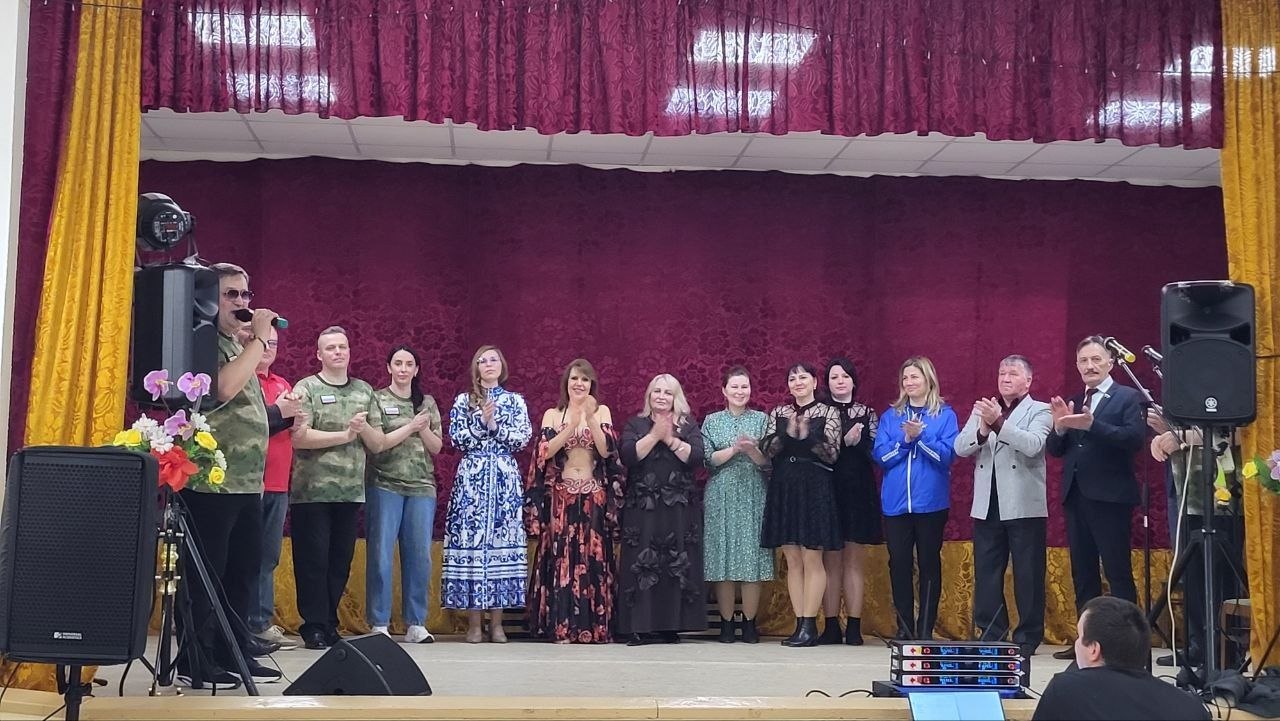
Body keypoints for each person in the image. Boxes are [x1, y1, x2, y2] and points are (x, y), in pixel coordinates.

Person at [176, 262, 283, 688]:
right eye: (231, 294)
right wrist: (258, 340)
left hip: (246, 483)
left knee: (243, 572)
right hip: (210, 483)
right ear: (208, 299)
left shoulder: (236, 345)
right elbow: (221, 389)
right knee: (207, 575)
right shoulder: (202, 342)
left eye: (245, 294)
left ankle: (233, 651)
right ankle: (196, 660)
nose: (242, 302)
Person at [1046, 336, 1145, 659]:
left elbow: (1133, 439)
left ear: (1110, 363)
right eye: (1083, 361)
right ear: (1077, 365)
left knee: (1117, 572)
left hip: (1111, 498)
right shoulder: (1075, 400)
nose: (1089, 366)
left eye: (1096, 360)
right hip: (1076, 496)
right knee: (1083, 573)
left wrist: (1093, 425)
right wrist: (1060, 427)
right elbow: (1056, 450)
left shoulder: (1128, 397)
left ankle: (1129, 649)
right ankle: (1086, 643)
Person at [289, 326, 384, 650]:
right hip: (311, 491)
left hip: (350, 492)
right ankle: (313, 626)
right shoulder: (307, 388)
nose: (338, 352)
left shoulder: (364, 391)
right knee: (312, 561)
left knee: (339, 562)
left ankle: (330, 623)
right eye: (330, 348)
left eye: (342, 347)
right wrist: (344, 435)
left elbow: (377, 443)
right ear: (319, 354)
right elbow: (299, 437)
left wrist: (362, 428)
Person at [954, 355, 1052, 657]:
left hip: (1023, 503)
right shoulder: (984, 408)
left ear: (1028, 381)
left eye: (1013, 373)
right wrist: (983, 429)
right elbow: (960, 447)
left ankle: (1028, 635)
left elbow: (1033, 445)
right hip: (988, 502)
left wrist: (999, 423)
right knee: (987, 571)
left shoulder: (1040, 410)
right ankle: (991, 631)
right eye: (1001, 373)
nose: (1005, 378)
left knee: (1027, 572)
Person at [524, 359, 624, 643]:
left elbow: (605, 452)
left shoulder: (602, 411)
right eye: (574, 379)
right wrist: (571, 424)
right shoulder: (553, 414)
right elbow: (545, 452)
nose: (579, 384)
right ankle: (562, 627)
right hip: (562, 495)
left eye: (585, 379)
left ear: (592, 384)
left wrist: (589, 418)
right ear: (566, 383)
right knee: (562, 558)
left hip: (593, 493)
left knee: (593, 558)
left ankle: (594, 627)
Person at [443, 345, 532, 643]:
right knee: (472, 547)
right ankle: (473, 624)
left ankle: (497, 623)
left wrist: (495, 426)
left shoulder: (515, 401)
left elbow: (521, 439)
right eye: (483, 360)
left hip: (504, 481)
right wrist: (482, 424)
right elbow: (457, 439)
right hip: (472, 481)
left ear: (502, 365)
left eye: (494, 359)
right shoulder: (464, 401)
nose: (489, 364)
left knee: (501, 547)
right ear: (476, 368)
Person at [872, 356, 958, 641]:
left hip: (931, 504)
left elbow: (946, 457)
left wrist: (921, 437)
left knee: (929, 564)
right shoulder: (891, 416)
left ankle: (925, 629)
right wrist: (906, 441)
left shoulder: (945, 415)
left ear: (928, 380)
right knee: (899, 564)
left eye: (914, 377)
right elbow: (881, 457)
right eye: (905, 378)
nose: (909, 382)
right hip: (896, 505)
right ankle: (905, 627)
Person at [617, 373, 706, 645]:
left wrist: (669, 439)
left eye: (668, 392)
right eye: (657, 391)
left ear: (676, 397)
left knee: (675, 561)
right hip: (644, 505)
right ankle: (639, 626)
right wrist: (655, 435)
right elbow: (628, 455)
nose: (662, 396)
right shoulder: (636, 424)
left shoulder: (688, 425)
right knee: (642, 561)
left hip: (679, 507)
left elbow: (696, 457)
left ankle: (670, 626)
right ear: (649, 395)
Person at [1149, 421, 1246, 669]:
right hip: (1186, 491)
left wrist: (1187, 437)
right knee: (1190, 572)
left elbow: (1241, 431)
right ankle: (1197, 645)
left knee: (1220, 574)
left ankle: (1225, 649)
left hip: (1223, 496)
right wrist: (1162, 439)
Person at [760, 363, 842, 648]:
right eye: (792, 378)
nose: (797, 382)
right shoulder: (779, 412)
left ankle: (810, 624)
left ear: (815, 382)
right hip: (785, 484)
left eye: (803, 377)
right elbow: (767, 451)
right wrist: (787, 434)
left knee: (812, 558)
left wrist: (808, 436)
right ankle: (799, 624)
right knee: (793, 559)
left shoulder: (828, 412)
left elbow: (832, 454)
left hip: (814, 484)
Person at [366, 345, 444, 644]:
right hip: (385, 484)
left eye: (408, 364)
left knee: (419, 556)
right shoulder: (377, 398)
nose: (403, 369)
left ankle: (416, 623)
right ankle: (379, 622)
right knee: (381, 555)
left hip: (421, 487)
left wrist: (422, 428)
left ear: (416, 369)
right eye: (397, 363)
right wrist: (411, 426)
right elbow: (378, 443)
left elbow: (436, 447)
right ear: (389, 367)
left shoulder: (427, 402)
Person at [1031, 596, 1210, 720]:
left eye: (1079, 636)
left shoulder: (1065, 689)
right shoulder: (1191, 708)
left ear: (1094, 649)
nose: (1077, 644)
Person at [701, 366, 772, 644]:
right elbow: (707, 460)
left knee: (752, 558)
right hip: (720, 493)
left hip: (753, 492)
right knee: (723, 559)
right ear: (724, 390)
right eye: (734, 386)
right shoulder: (712, 420)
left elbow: (768, 462)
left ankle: (750, 623)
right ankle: (727, 623)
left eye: (744, 386)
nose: (740, 392)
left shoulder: (762, 420)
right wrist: (734, 449)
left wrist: (751, 450)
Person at [816, 357, 880, 647]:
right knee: (830, 561)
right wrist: (842, 441)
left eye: (845, 376)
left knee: (853, 561)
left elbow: (877, 452)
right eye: (834, 377)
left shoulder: (867, 413)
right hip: (828, 487)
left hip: (858, 489)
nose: (840, 381)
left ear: (854, 381)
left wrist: (859, 442)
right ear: (826, 383)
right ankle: (830, 625)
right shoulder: (821, 412)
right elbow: (817, 449)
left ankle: (854, 626)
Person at [247, 325, 301, 651]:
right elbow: (253, 426)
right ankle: (246, 623)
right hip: (250, 483)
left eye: (275, 343)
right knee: (248, 556)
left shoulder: (283, 384)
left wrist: (291, 416)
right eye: (264, 341)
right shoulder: (243, 381)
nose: (269, 348)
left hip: (279, 483)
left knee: (268, 556)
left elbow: (291, 425)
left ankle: (261, 622)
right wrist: (280, 413)